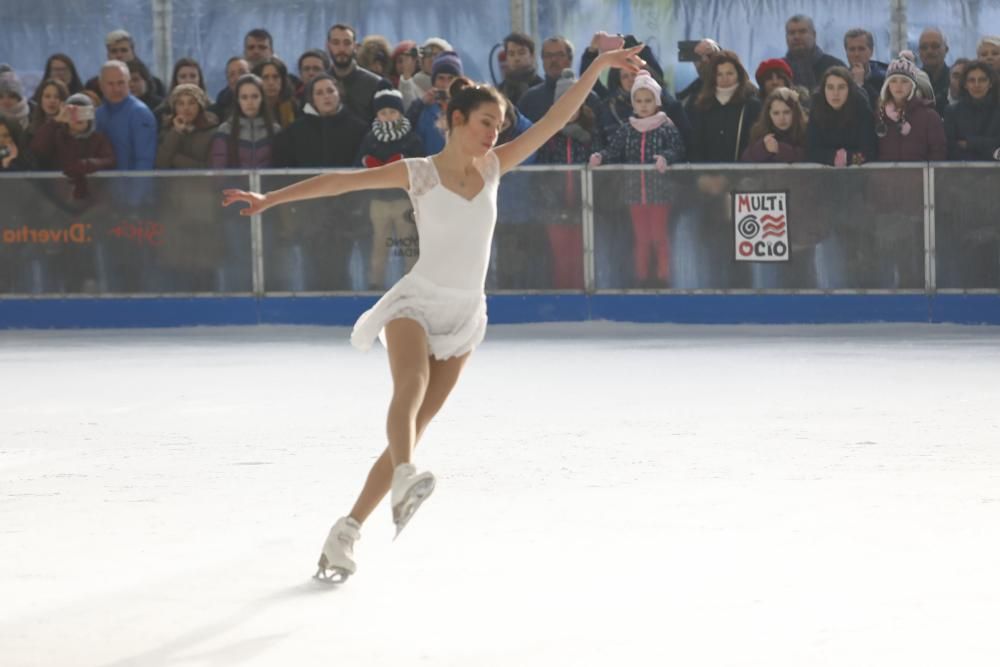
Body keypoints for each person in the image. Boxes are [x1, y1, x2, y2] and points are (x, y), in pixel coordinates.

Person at [221, 40, 646, 582]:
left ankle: (346, 531)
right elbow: (338, 184)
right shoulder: (418, 172)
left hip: (465, 316)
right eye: (485, 123)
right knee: (410, 389)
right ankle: (403, 476)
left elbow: (558, 119)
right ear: (455, 119)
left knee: (415, 426)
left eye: (499, 125)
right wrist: (268, 200)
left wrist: (598, 67)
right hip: (417, 302)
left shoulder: (495, 167)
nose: (494, 133)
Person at [590, 70, 685, 287]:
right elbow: (613, 150)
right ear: (633, 103)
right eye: (639, 101)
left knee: (659, 238)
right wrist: (600, 157)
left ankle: (663, 278)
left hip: (660, 193)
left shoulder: (665, 126)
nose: (643, 105)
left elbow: (678, 148)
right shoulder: (628, 129)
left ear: (657, 102)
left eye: (648, 100)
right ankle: (641, 278)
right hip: (634, 193)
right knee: (641, 239)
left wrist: (666, 158)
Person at [534, 69, 601, 289]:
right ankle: (564, 296)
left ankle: (583, 296)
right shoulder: (549, 137)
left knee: (583, 257)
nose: (570, 109)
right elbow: (542, 174)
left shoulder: (591, 135)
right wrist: (555, 203)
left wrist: (587, 201)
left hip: (585, 207)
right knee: (562, 258)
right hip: (556, 210)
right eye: (565, 103)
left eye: (575, 102)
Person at [356, 89, 425, 288]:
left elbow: (422, 164)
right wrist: (367, 162)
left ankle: (411, 284)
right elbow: (357, 163)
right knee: (379, 245)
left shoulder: (411, 138)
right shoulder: (370, 138)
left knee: (408, 245)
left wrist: (405, 167)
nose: (388, 116)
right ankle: (375, 284)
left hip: (404, 201)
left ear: (401, 113)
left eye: (393, 111)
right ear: (377, 115)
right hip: (378, 201)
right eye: (383, 112)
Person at [690, 51, 761, 162]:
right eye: (719, 74)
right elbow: (696, 144)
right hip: (707, 175)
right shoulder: (702, 105)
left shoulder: (752, 106)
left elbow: (754, 144)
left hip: (741, 174)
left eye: (729, 73)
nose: (725, 78)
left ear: (738, 74)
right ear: (713, 77)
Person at [875, 58, 946, 162]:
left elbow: (938, 153)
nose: (898, 86)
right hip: (886, 176)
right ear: (887, 85)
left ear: (913, 85)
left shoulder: (929, 116)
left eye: (904, 81)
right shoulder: (879, 115)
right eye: (893, 81)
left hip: (921, 177)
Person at [806, 66, 877, 166]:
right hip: (823, 175)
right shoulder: (816, 110)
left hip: (859, 174)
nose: (835, 93)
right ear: (824, 89)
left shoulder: (862, 110)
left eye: (841, 87)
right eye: (830, 87)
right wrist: (834, 158)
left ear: (849, 89)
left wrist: (846, 159)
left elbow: (868, 153)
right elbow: (811, 152)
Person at [95, 60, 157, 170]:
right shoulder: (98, 114)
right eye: (110, 84)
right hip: (103, 184)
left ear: (128, 83)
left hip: (131, 184)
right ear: (101, 85)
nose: (116, 89)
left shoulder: (140, 113)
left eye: (121, 83)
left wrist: (137, 186)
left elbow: (144, 160)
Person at [210, 74, 280, 168]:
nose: (250, 102)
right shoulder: (225, 130)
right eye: (244, 97)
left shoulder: (275, 130)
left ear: (262, 98)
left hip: (271, 183)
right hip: (235, 183)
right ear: (238, 100)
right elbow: (219, 172)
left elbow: (281, 169)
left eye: (254, 96)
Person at [327, 23, 389, 123]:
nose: (341, 49)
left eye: (347, 43)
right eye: (336, 42)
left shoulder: (375, 84)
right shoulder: (318, 85)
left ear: (355, 47)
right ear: (328, 46)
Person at [943, 61, 1000, 161]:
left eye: (982, 80)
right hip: (961, 170)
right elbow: (951, 148)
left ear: (990, 83)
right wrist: (988, 147)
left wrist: (969, 143)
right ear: (965, 84)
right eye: (971, 80)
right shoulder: (952, 112)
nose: (977, 85)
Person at [155, 84, 219, 169]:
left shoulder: (212, 132)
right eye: (180, 104)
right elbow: (160, 164)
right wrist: (176, 132)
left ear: (199, 106)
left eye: (192, 103)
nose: (186, 108)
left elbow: (208, 169)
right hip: (171, 182)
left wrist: (175, 158)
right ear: (174, 108)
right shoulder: (166, 130)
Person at [741, 86, 808, 163]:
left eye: (786, 112)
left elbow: (809, 155)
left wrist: (780, 149)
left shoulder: (806, 130)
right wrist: (763, 148)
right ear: (769, 114)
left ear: (795, 113)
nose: (781, 118)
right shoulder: (759, 131)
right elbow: (745, 159)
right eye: (776, 113)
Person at [784, 15, 846, 92]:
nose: (796, 37)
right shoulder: (778, 69)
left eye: (802, 32)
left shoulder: (835, 66)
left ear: (814, 35)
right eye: (792, 33)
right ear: (786, 37)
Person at [253, 57, 301, 128]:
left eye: (275, 77)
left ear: (283, 81)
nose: (271, 83)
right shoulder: (250, 105)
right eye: (265, 77)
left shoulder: (294, 106)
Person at [499, 32, 543, 105]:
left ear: (532, 56)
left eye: (521, 53)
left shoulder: (542, 88)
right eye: (511, 54)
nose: (516, 58)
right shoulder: (500, 91)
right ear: (506, 58)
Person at [844, 28, 887, 103]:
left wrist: (861, 84)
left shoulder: (886, 78)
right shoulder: (839, 79)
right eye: (852, 49)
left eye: (861, 49)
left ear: (871, 51)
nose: (856, 54)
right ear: (846, 52)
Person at [918, 28, 951, 114]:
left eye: (935, 46)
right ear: (919, 52)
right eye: (924, 47)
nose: (929, 51)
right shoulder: (912, 82)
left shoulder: (955, 80)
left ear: (946, 49)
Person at [209, 57, 251, 122]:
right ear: (228, 80)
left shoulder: (264, 103)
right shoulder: (218, 110)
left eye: (242, 73)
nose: (237, 78)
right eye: (232, 74)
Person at [0, 67, 31, 132]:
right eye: (1, 96)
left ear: (19, 97)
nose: (6, 100)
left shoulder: (34, 113)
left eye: (11, 96)